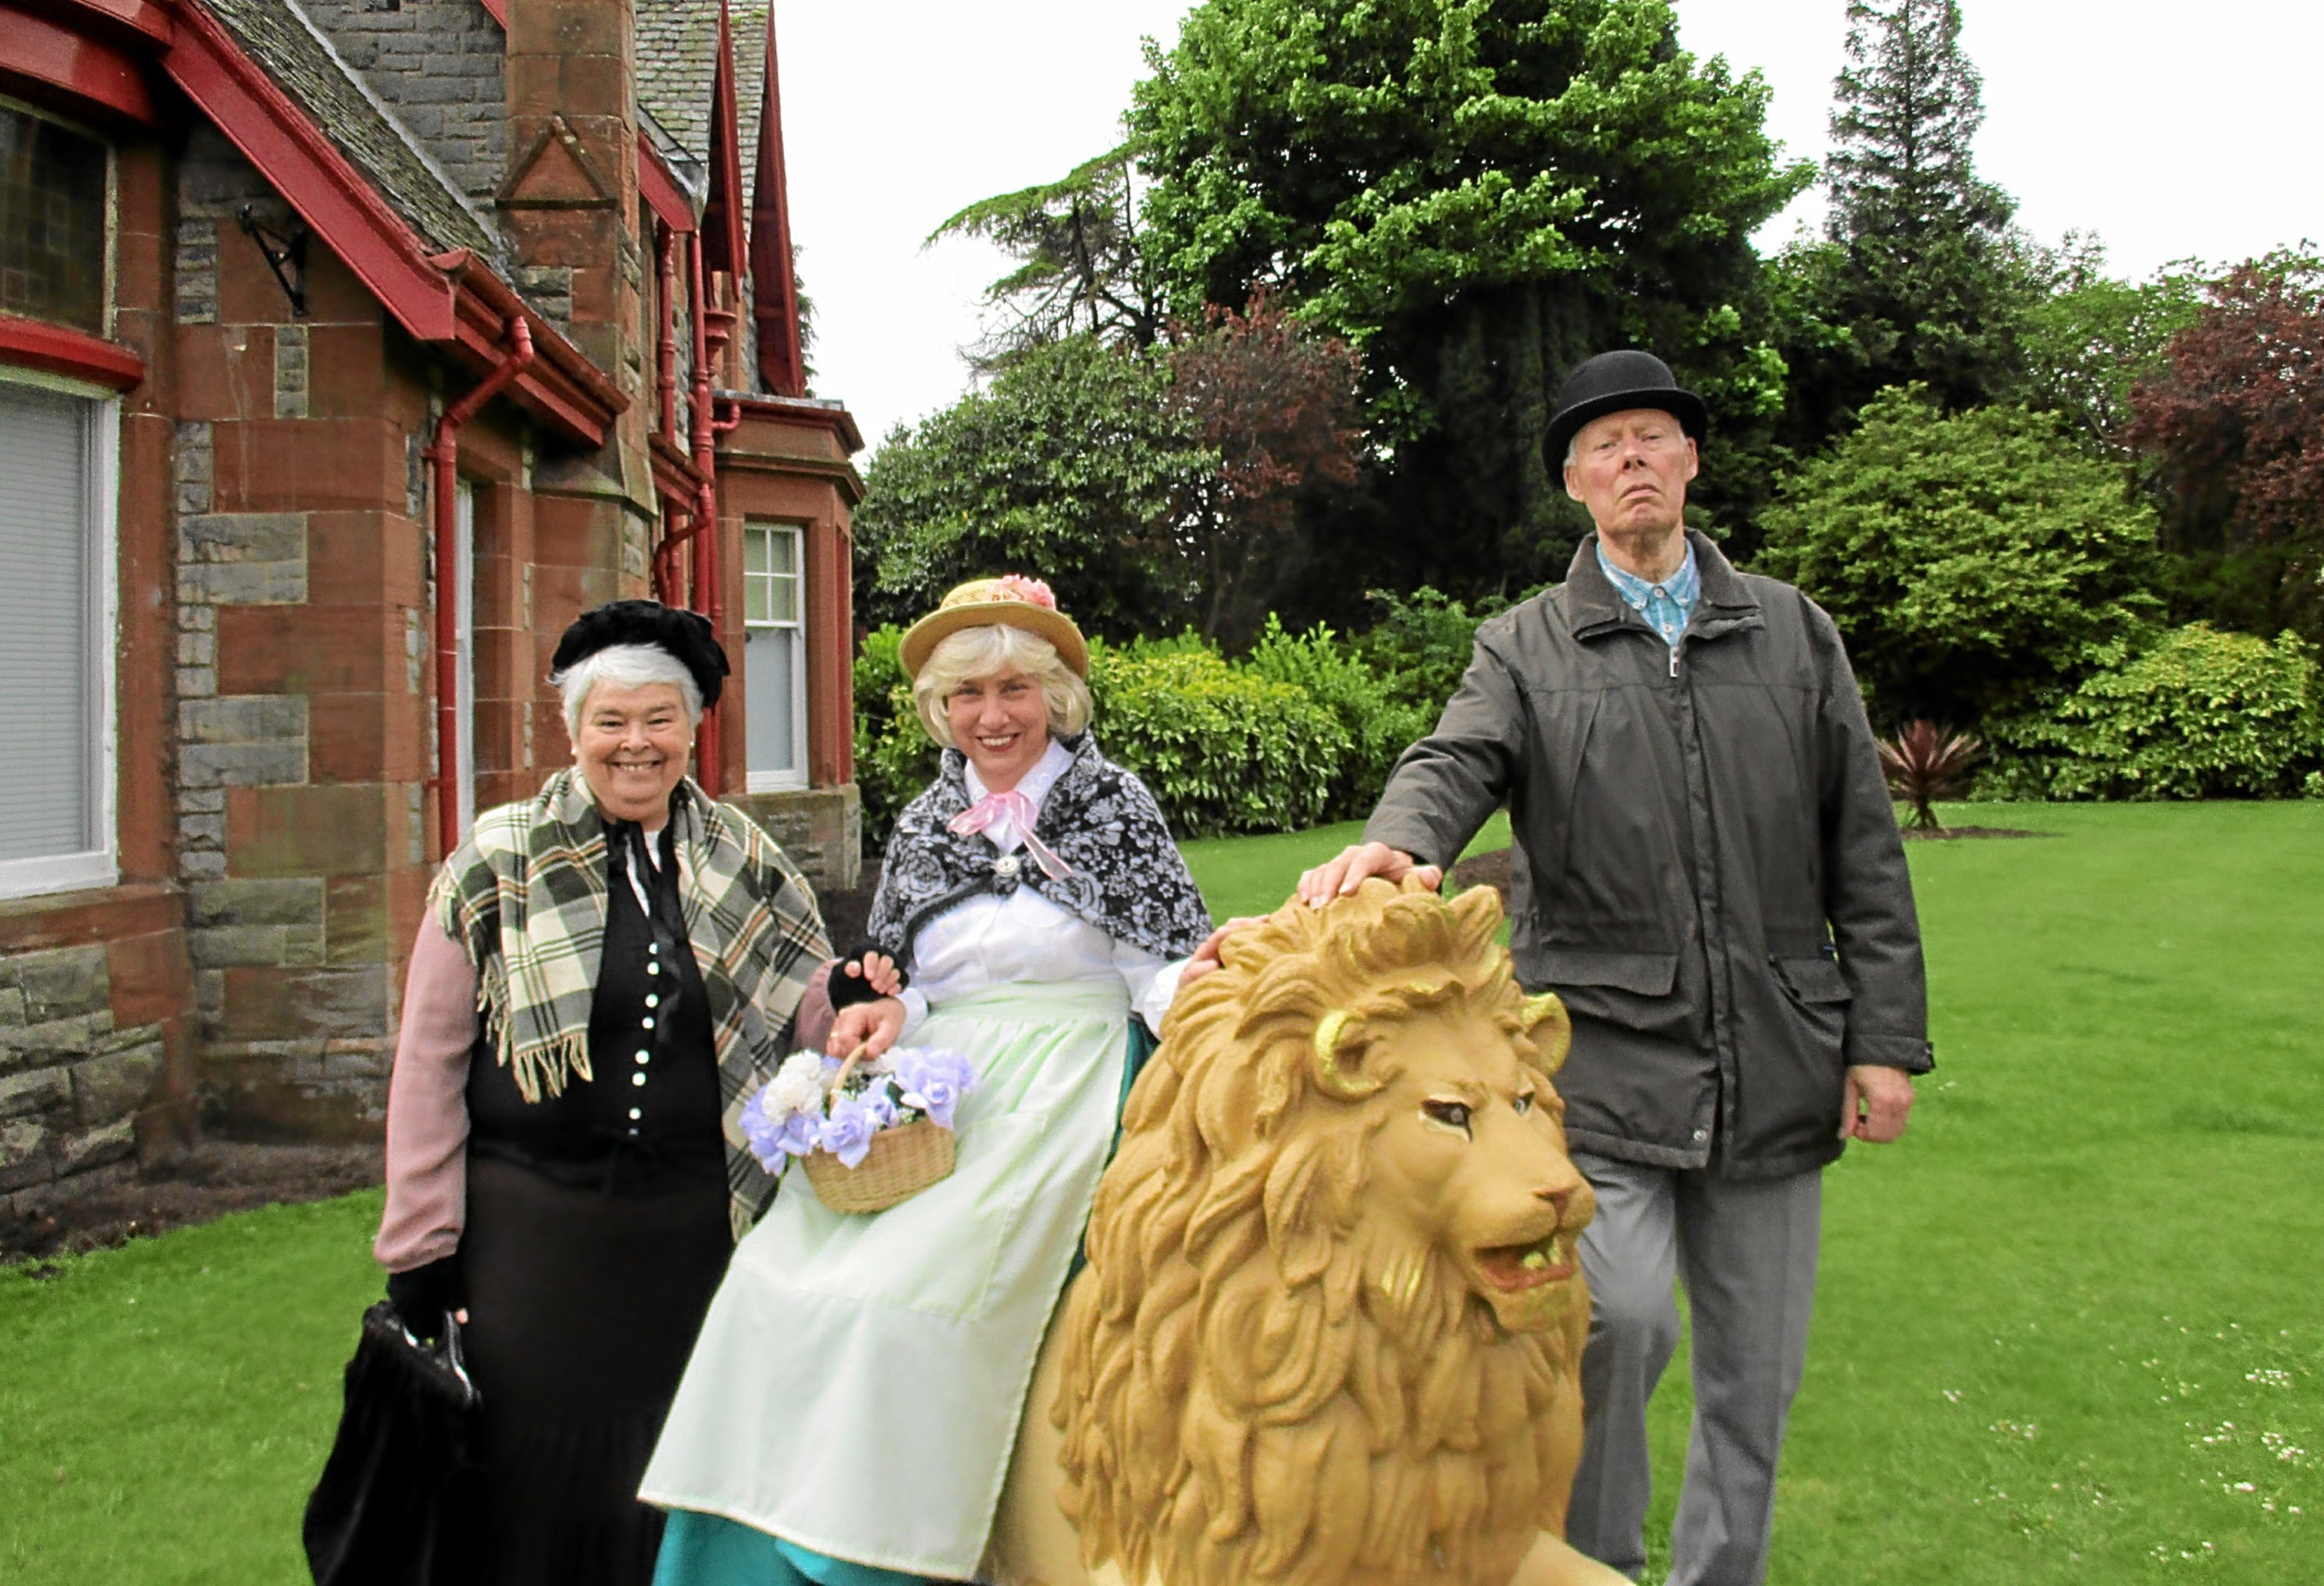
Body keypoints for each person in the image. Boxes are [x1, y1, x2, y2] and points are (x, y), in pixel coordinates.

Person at [1297, 350, 1931, 1586]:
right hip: (1604, 1062)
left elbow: (1866, 850)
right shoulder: (1524, 648)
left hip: (1780, 1063)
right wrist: (1398, 839)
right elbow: (1453, 758)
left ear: (1690, 461)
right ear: (1576, 486)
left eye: (1652, 437)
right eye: (1605, 446)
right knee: (1614, 1327)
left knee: (1757, 1377)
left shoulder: (1795, 634)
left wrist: (1884, 1041)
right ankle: (1598, 1572)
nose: (1631, 459)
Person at [642, 574, 1225, 1586]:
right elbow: (911, 979)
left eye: (1013, 689)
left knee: (909, 1296)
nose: (990, 716)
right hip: (941, 1076)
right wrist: (882, 1013)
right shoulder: (922, 821)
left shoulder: (1112, 801)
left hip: (1067, 1077)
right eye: (966, 695)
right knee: (781, 1273)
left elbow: (1161, 964)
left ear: (1056, 697)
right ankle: (748, 1553)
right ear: (938, 709)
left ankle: (879, 1555)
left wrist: (1217, 1006)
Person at [373, 599, 834, 1585]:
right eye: (610, 721)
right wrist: (421, 1250)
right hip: (534, 1238)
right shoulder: (495, 860)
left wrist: (866, 995)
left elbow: (811, 1013)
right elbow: (428, 1066)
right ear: (573, 730)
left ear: (693, 726)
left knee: (676, 1475)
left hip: (693, 1239)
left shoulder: (746, 857)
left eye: (659, 718)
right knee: (530, 1483)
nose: (636, 743)